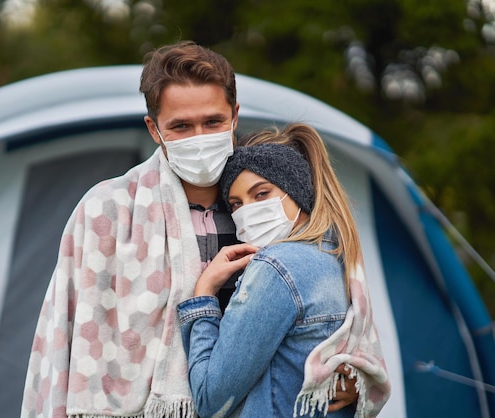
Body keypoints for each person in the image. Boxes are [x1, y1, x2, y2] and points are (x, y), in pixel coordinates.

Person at [20, 41, 363, 418]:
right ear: (154, 129)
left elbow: (338, 311)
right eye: (181, 126)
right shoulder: (107, 211)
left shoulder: (266, 206)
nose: (200, 137)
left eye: (212, 122)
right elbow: (64, 339)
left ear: (234, 116)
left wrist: (348, 375)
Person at [177, 123, 391, 418]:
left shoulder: (276, 268)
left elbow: (210, 399)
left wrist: (203, 296)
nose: (247, 212)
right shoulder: (336, 256)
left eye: (261, 194)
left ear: (297, 191)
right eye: (236, 204)